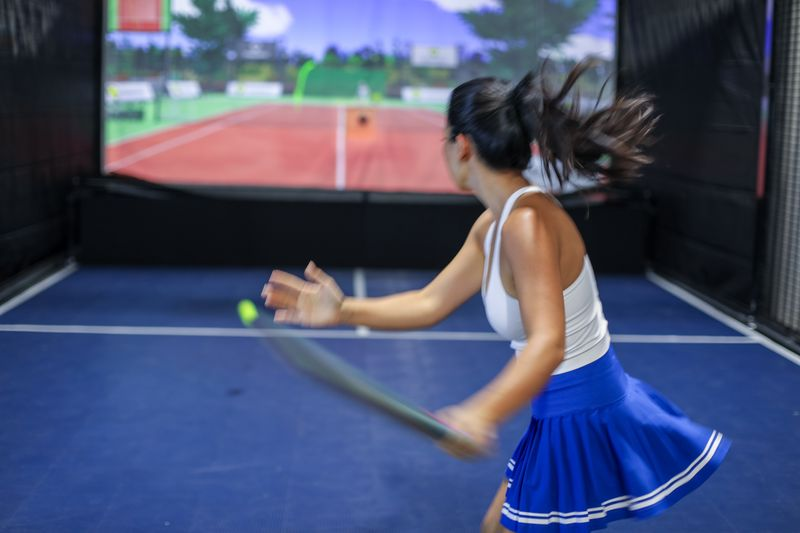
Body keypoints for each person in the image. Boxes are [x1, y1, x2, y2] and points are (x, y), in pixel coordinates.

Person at [261, 59, 730, 532]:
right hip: (566, 406)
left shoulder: (526, 224)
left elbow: (549, 342)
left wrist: (481, 412)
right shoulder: (496, 223)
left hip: (580, 409)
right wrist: (342, 310)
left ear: (461, 146)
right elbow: (431, 302)